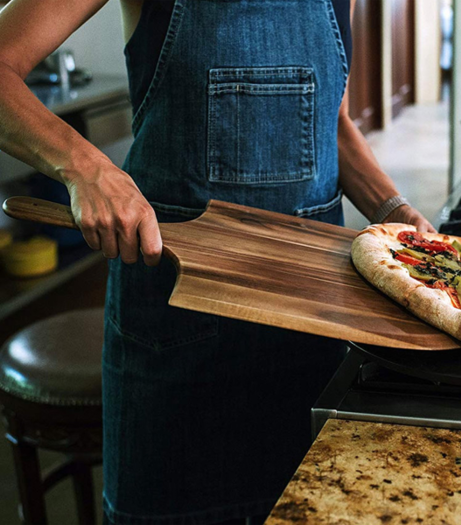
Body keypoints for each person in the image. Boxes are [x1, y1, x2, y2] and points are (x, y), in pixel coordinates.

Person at [0, 0, 435, 523]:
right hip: (181, 345)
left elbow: (332, 124)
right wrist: (86, 170)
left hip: (311, 337)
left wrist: (394, 210)